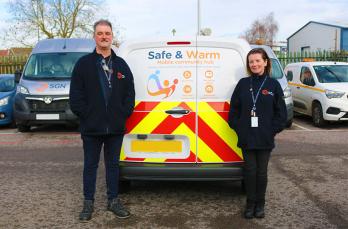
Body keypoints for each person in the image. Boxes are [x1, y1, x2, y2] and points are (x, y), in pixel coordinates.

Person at [69, 19, 135, 222]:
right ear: (94, 36)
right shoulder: (84, 64)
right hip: (92, 127)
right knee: (90, 165)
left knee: (113, 165)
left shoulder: (122, 64)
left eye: (107, 33)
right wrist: (87, 115)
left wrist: (122, 113)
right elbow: (75, 96)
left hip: (115, 127)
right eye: (100, 33)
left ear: (112, 36)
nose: (104, 36)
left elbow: (130, 94)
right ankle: (88, 203)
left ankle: (113, 200)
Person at [228, 48, 287, 219]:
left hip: (265, 138)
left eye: (257, 61)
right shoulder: (243, 84)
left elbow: (281, 114)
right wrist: (239, 127)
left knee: (261, 173)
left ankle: (260, 204)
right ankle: (250, 204)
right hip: (247, 137)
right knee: (249, 171)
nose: (254, 64)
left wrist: (271, 130)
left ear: (265, 62)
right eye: (251, 61)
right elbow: (234, 111)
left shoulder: (273, 85)